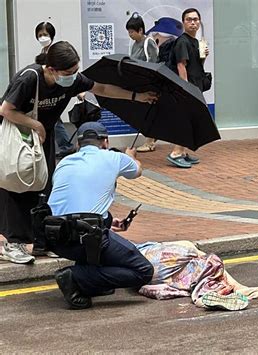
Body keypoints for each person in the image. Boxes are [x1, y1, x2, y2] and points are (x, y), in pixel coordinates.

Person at [0, 41, 157, 264]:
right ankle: (12, 243)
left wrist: (137, 97)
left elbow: (101, 88)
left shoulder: (70, 81)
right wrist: (37, 125)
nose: (73, 76)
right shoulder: (30, 78)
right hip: (17, 139)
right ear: (51, 69)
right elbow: (6, 110)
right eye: (68, 72)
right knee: (15, 185)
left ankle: (41, 242)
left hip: (41, 139)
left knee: (43, 188)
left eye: (75, 71)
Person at [42, 122, 154, 310]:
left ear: (78, 144)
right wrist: (130, 156)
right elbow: (137, 170)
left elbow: (77, 201)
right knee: (143, 271)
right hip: (87, 238)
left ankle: (90, 282)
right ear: (105, 142)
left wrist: (109, 221)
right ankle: (74, 276)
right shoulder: (114, 157)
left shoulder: (63, 163)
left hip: (55, 237)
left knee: (96, 242)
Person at [136, 240, 258, 311]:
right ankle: (246, 290)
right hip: (152, 259)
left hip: (151, 274)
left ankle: (208, 298)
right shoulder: (145, 249)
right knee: (202, 258)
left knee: (198, 277)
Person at [166, 8, 208, 169]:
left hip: (194, 86)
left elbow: (196, 66)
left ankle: (182, 152)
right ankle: (175, 153)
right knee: (186, 121)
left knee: (190, 120)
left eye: (196, 19)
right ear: (183, 22)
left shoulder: (195, 42)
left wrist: (204, 57)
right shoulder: (183, 41)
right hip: (186, 88)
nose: (193, 22)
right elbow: (181, 65)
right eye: (189, 19)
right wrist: (185, 88)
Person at [34, 22, 76, 159]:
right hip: (45, 91)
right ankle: (64, 146)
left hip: (55, 91)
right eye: (40, 35)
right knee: (55, 121)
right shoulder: (43, 52)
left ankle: (65, 146)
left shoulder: (56, 51)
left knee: (55, 121)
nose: (42, 37)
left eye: (45, 34)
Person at [126, 12, 160, 153]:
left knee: (149, 112)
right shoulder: (134, 45)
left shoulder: (148, 42)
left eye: (132, 31)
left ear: (140, 30)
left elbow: (154, 63)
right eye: (128, 32)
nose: (130, 34)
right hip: (138, 84)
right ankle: (151, 138)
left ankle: (150, 141)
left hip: (149, 84)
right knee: (143, 112)